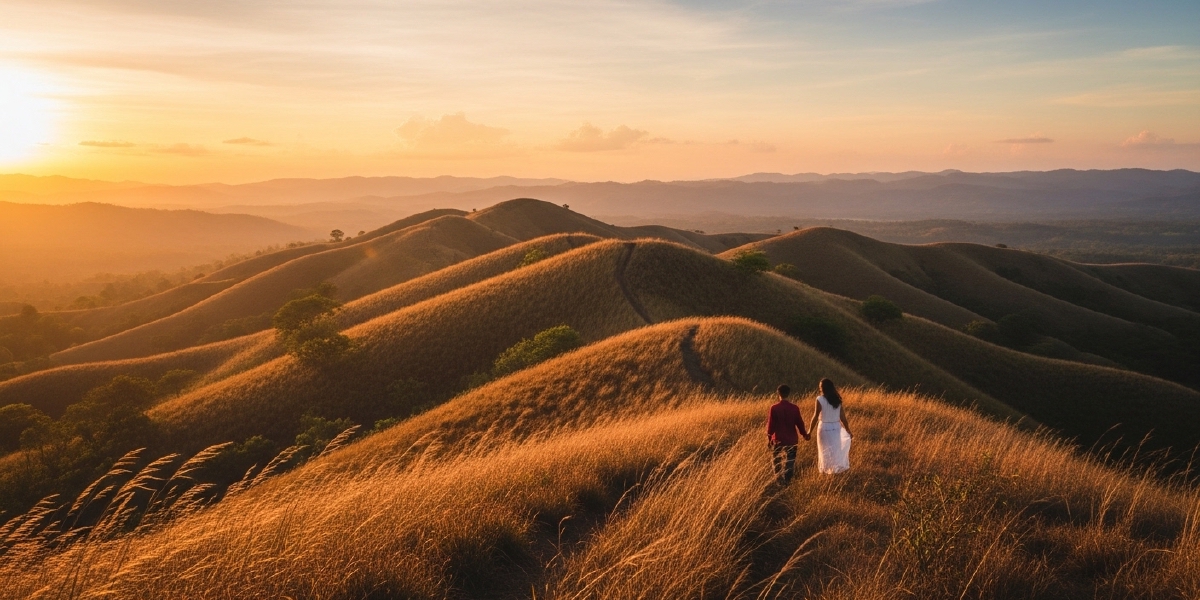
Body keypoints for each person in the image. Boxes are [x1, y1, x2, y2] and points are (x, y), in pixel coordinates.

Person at [766, 384, 809, 484]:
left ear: (778, 393)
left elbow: (771, 425)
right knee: (790, 461)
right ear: (789, 393)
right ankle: (787, 480)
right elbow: (799, 423)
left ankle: (779, 480)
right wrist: (804, 434)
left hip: (778, 439)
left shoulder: (774, 408)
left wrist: (769, 438)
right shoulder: (794, 408)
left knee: (776, 460)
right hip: (791, 439)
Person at [809, 378, 852, 474]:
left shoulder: (819, 399)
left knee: (824, 451)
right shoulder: (837, 400)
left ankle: (825, 471)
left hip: (824, 428)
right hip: (836, 427)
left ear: (823, 388)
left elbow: (815, 416)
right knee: (835, 451)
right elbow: (843, 418)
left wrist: (809, 431)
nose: (819, 388)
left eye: (820, 386)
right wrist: (848, 430)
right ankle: (835, 471)